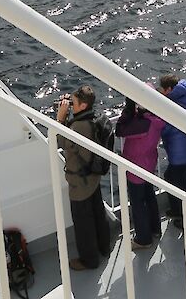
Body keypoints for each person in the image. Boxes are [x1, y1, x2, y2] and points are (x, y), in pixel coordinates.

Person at [57, 85, 112, 270]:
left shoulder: (78, 126)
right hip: (93, 177)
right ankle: (104, 247)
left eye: (73, 103)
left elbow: (62, 141)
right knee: (98, 214)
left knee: (83, 223)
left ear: (82, 106)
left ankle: (89, 260)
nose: (71, 105)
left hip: (80, 183)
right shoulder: (92, 118)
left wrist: (61, 117)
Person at [115, 98, 166, 249]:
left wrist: (128, 109)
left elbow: (120, 130)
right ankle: (155, 229)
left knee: (138, 203)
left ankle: (143, 239)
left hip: (137, 167)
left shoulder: (142, 124)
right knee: (149, 196)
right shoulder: (156, 118)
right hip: (149, 162)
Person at [158, 74, 186, 230]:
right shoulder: (185, 95)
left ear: (169, 89)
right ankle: (177, 211)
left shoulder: (171, 105)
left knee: (181, 187)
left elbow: (165, 128)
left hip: (179, 152)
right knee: (172, 177)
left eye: (162, 89)